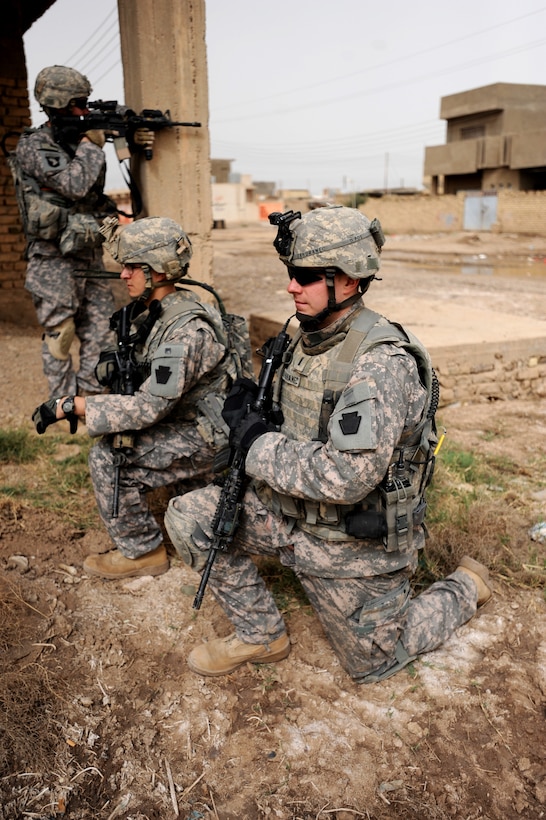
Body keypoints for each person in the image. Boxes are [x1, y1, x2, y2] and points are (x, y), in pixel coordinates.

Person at [163, 204, 492, 683]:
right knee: (189, 517)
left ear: (351, 280)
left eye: (306, 275)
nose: (292, 286)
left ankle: (466, 587)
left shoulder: (379, 364)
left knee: (374, 664)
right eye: (291, 273)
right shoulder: (305, 338)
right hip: (287, 513)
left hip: (351, 541)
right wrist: (252, 412)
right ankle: (261, 634)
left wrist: (254, 443)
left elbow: (347, 476)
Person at [33, 216, 242, 580]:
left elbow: (147, 407)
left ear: (158, 271)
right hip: (191, 420)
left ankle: (143, 551)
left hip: (210, 436)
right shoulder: (161, 312)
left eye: (133, 267)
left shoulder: (187, 331)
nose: (124, 275)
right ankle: (192, 507)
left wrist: (72, 405)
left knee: (109, 456)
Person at [14, 65, 154, 398]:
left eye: (85, 103)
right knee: (61, 333)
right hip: (52, 258)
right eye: (77, 104)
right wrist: (93, 142)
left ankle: (89, 400)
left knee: (101, 330)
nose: (83, 111)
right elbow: (73, 184)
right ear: (55, 105)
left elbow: (91, 189)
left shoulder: (80, 141)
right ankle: (61, 404)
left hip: (87, 250)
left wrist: (130, 140)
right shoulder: (35, 146)